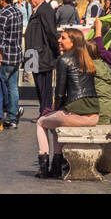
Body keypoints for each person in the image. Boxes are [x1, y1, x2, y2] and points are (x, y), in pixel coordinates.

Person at [35, 28, 100, 179]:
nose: (59, 40)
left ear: (73, 41)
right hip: (93, 115)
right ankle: (56, 165)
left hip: (75, 113)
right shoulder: (87, 59)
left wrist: (53, 110)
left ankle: (44, 166)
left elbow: (59, 93)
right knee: (57, 122)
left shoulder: (64, 60)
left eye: (63, 38)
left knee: (40, 122)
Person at [24, 0, 59, 114]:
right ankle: (43, 112)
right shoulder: (37, 11)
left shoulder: (45, 10)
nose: (30, 0)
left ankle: (45, 113)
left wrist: (57, 51)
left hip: (42, 54)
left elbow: (51, 32)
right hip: (34, 53)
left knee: (44, 86)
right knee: (39, 85)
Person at [0, 0, 23, 129]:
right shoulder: (18, 12)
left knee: (1, 87)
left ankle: (0, 115)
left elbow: (2, 39)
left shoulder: (4, 14)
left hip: (5, 57)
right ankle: (12, 117)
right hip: (16, 55)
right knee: (13, 87)